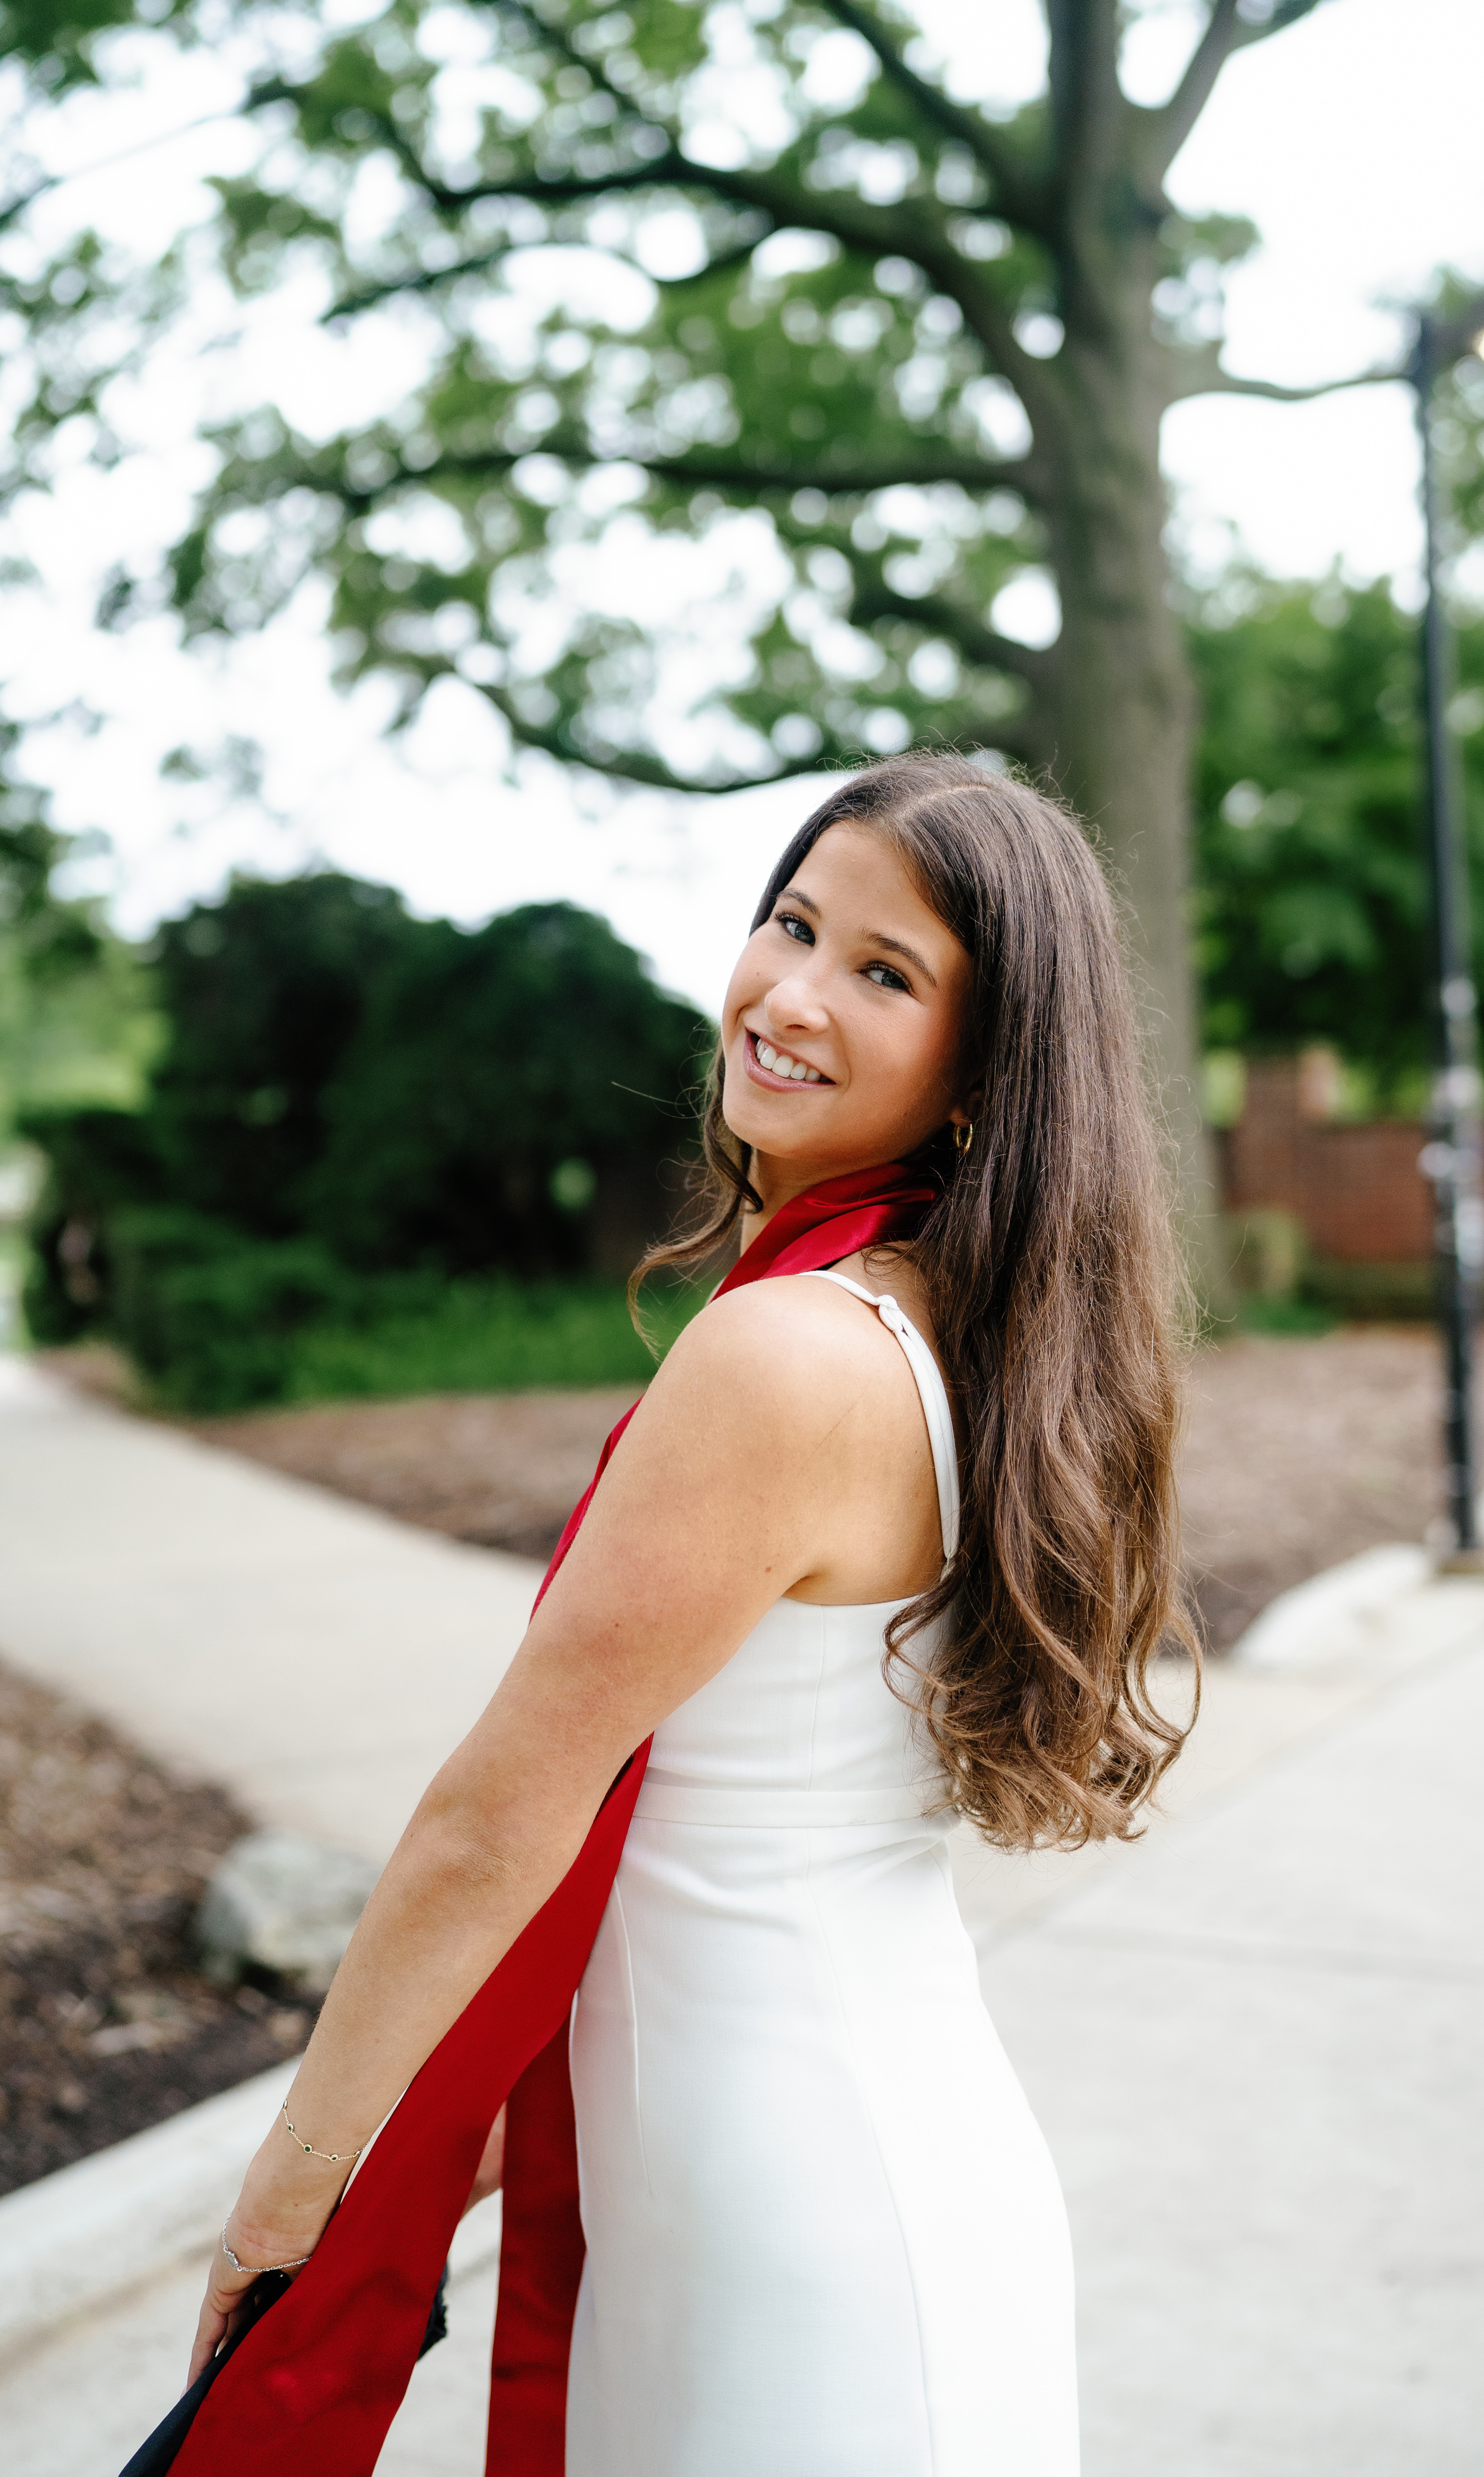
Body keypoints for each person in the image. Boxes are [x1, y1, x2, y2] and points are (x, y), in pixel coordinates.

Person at [185, 752, 1193, 2474]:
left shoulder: (789, 1354)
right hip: (870, 2162)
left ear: (983, 1070)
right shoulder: (972, 1334)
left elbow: (494, 1823)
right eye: (791, 924)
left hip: (780, 2232)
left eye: (884, 973)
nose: (790, 996)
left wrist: (300, 2199)